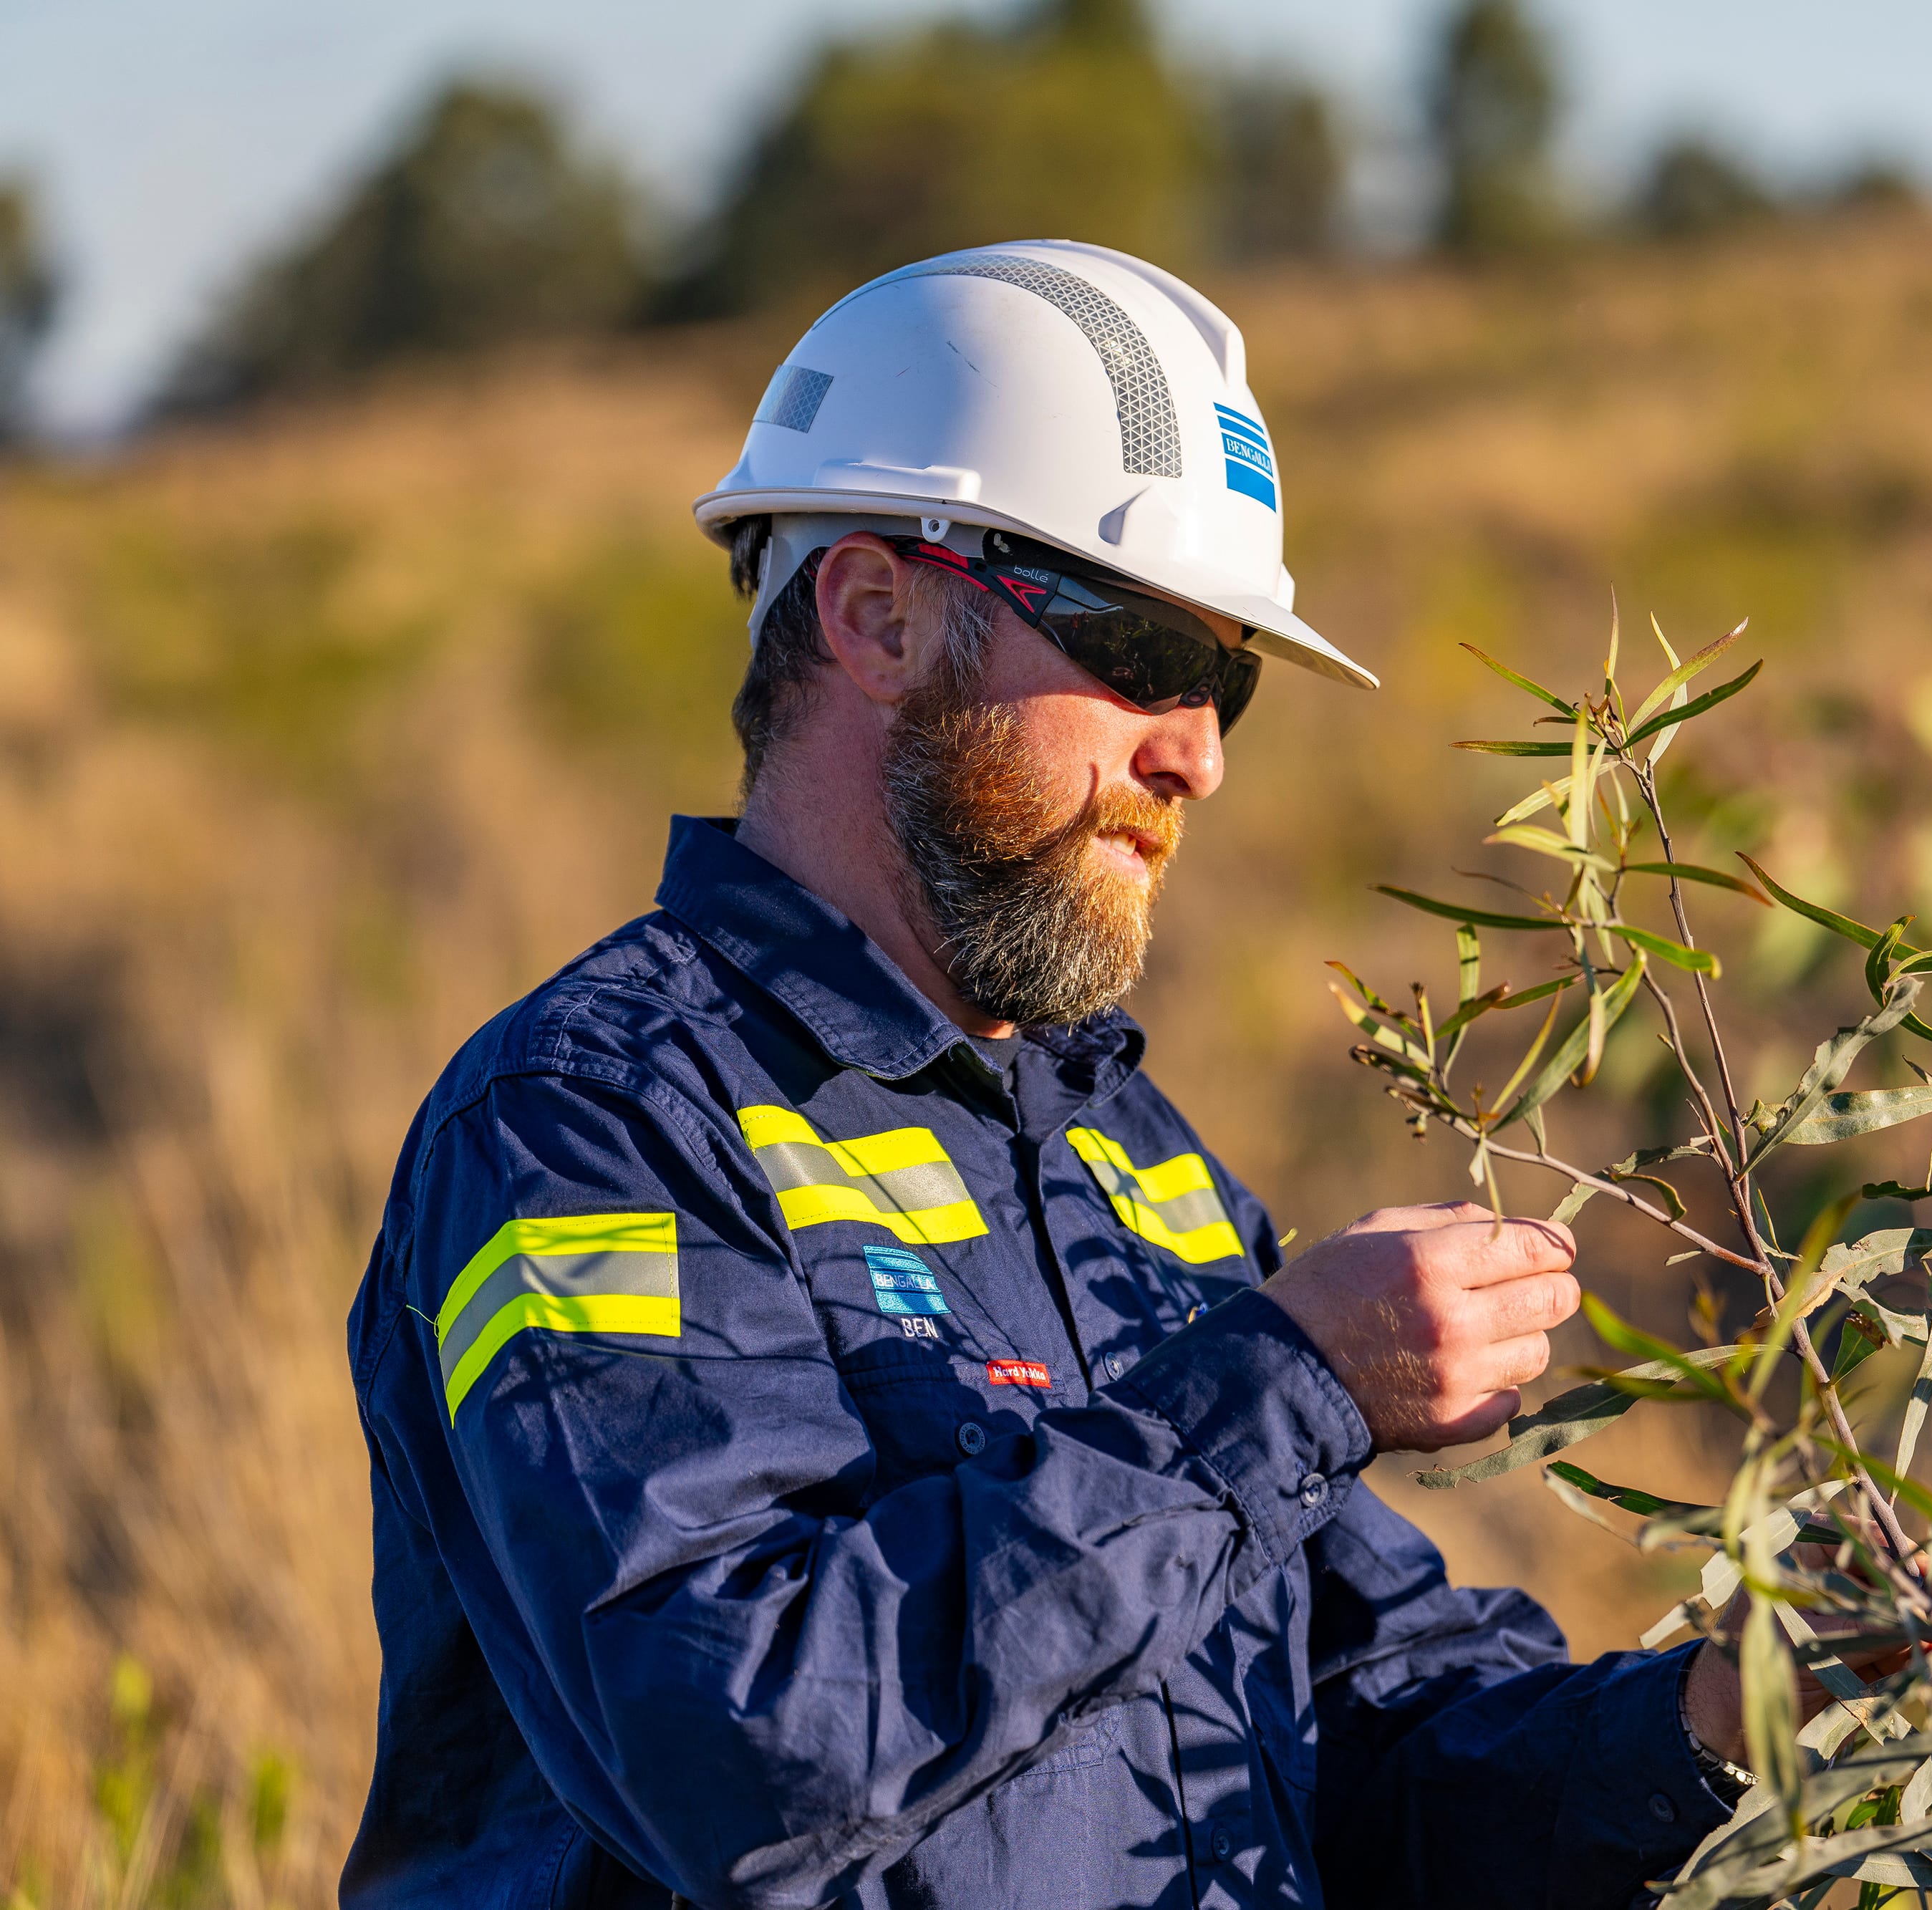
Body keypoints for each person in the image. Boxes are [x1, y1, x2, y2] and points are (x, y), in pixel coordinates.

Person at [342, 241, 1782, 1910]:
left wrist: (1719, 1716)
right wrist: (1289, 1378)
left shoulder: (1140, 1167)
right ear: (875, 614)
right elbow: (739, 1750)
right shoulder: (585, 1121)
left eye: (1227, 677)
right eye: (1139, 649)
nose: (1200, 753)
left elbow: (1350, 1757)